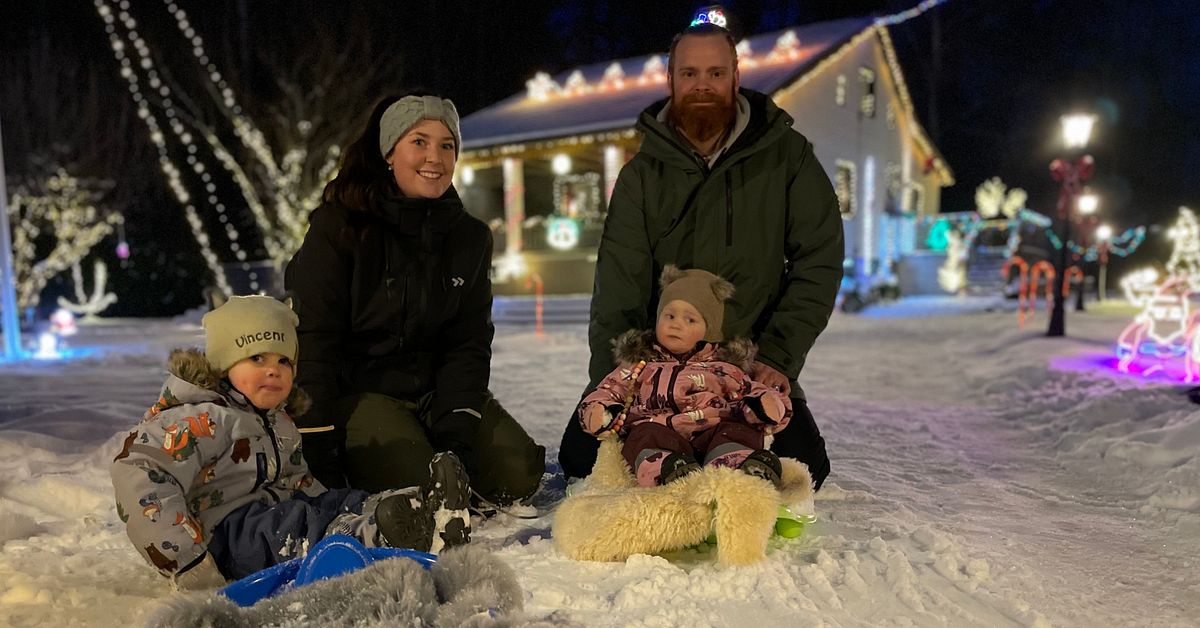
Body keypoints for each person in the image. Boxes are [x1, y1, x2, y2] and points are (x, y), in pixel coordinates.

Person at [559, 19, 843, 490]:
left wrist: (778, 357)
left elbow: (820, 260)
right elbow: (618, 285)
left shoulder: (787, 157)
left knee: (808, 469)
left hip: (746, 368)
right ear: (670, 80)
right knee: (579, 460)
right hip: (659, 368)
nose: (702, 85)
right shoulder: (641, 176)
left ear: (736, 76)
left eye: (715, 73)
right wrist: (616, 378)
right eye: (689, 74)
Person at [284, 92, 545, 506]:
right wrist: (317, 437)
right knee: (422, 489)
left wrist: (457, 428)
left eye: (447, 145)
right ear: (389, 152)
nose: (435, 158)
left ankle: (434, 454)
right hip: (361, 392)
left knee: (519, 475)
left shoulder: (469, 238)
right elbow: (315, 335)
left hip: (433, 391)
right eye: (419, 142)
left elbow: (468, 341)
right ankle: (382, 459)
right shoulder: (339, 227)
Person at [110, 295, 470, 588]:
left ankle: (407, 512)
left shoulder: (279, 421)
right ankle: (373, 536)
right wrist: (186, 558)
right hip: (224, 538)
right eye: (256, 358)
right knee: (292, 524)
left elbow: (299, 483)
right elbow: (138, 468)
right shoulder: (200, 418)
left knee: (331, 500)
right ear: (223, 366)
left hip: (274, 515)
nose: (274, 369)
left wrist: (338, 506)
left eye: (284, 360)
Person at [578, 266, 792, 488]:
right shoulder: (640, 365)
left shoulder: (723, 368)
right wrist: (601, 410)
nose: (676, 324)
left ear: (709, 330)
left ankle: (739, 471)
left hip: (710, 431)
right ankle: (668, 472)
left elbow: (749, 392)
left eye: (690, 320)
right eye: (669, 315)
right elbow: (609, 389)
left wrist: (763, 406)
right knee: (642, 435)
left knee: (736, 431)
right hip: (660, 432)